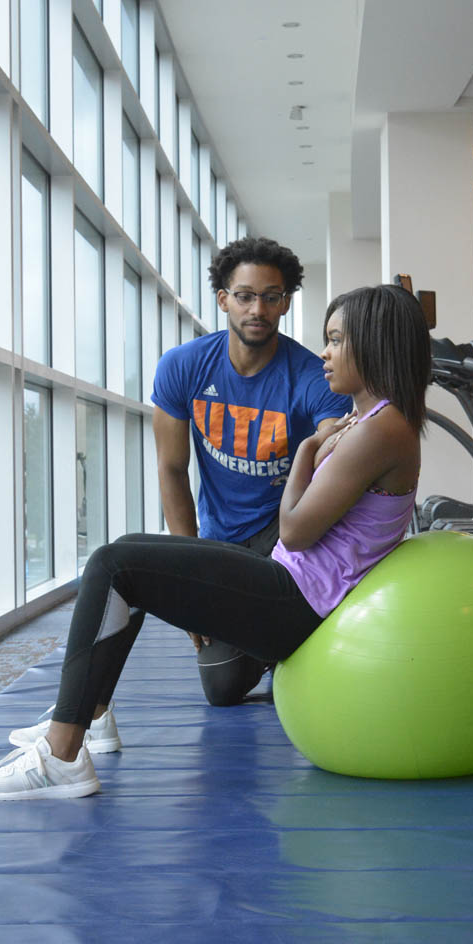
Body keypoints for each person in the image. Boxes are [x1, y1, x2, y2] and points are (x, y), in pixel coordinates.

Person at [0, 283, 431, 800]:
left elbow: (297, 531)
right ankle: (90, 719)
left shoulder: (379, 429)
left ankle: (61, 755)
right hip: (291, 585)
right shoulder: (368, 422)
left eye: (338, 340)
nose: (325, 352)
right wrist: (322, 444)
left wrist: (306, 449)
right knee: (126, 563)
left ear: (375, 343)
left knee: (114, 565)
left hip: (297, 601)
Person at [151, 236, 351, 706]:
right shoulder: (183, 367)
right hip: (221, 537)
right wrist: (189, 572)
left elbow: (338, 461)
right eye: (244, 296)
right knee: (221, 688)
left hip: (286, 534)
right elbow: (172, 468)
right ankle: (279, 636)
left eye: (271, 296)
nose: (257, 308)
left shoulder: (312, 377)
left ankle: (289, 627)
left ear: (285, 302)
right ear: (224, 299)